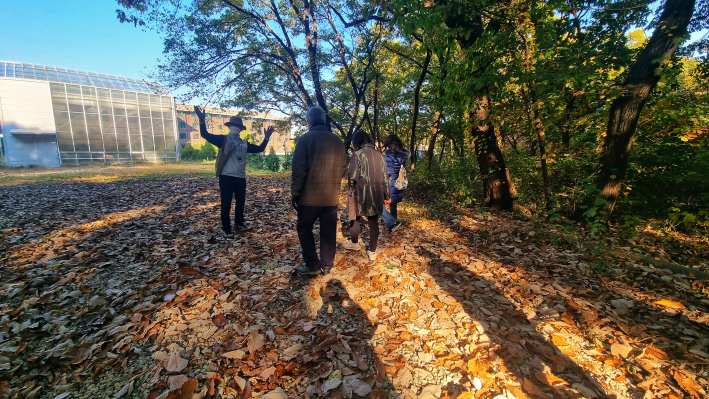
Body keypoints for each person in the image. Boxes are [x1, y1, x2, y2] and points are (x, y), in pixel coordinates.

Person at [194, 106, 274, 238]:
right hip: (226, 176)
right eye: (234, 125)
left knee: (240, 201)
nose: (236, 127)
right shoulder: (223, 139)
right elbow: (205, 135)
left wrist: (266, 138)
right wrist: (202, 121)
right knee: (226, 202)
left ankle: (238, 223)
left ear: (241, 129)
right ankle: (226, 227)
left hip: (240, 177)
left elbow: (259, 149)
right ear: (230, 126)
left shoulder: (244, 143)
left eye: (238, 126)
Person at [291, 106, 347, 277]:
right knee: (328, 230)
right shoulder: (338, 141)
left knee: (303, 227)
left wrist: (295, 192)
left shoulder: (305, 140)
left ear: (309, 122)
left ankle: (312, 264)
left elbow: (299, 170)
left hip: (309, 197)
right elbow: (343, 169)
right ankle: (327, 264)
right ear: (323, 120)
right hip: (331, 196)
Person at [342, 130, 390, 261]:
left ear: (356, 142)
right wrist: (387, 195)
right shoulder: (379, 155)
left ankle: (354, 243)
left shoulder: (356, 155)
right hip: (376, 192)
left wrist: (350, 187)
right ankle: (372, 251)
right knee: (373, 220)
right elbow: (385, 176)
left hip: (360, 191)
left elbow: (352, 176)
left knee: (355, 217)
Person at [381, 134, 410, 233]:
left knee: (378, 204)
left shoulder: (390, 155)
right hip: (399, 182)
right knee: (393, 205)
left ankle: (392, 223)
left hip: (390, 183)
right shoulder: (403, 155)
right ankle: (393, 226)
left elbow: (387, 171)